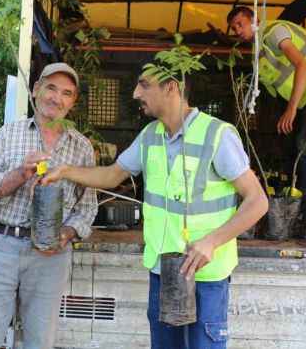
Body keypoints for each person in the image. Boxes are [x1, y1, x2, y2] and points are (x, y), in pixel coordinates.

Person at [42, 62, 268, 349]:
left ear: (171, 87)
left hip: (206, 276)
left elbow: (258, 201)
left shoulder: (217, 135)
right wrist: (64, 171)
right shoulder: (151, 135)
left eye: (144, 84)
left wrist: (212, 242)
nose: (136, 93)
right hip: (164, 272)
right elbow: (112, 175)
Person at [0, 62, 98, 349]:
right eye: (51, 88)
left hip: (50, 256)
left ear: (72, 102)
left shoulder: (82, 147)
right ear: (36, 90)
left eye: (66, 93)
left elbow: (87, 208)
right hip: (1, 244)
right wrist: (20, 174)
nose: (56, 98)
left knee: (40, 341)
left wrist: (66, 234)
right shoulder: (9, 134)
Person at [227, 7, 306, 237]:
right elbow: (272, 94)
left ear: (254, 19)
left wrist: (292, 108)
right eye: (234, 28)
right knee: (292, 149)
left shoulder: (274, 32)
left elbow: (302, 65)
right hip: (301, 98)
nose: (238, 30)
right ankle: (292, 210)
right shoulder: (260, 54)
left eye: (240, 23)